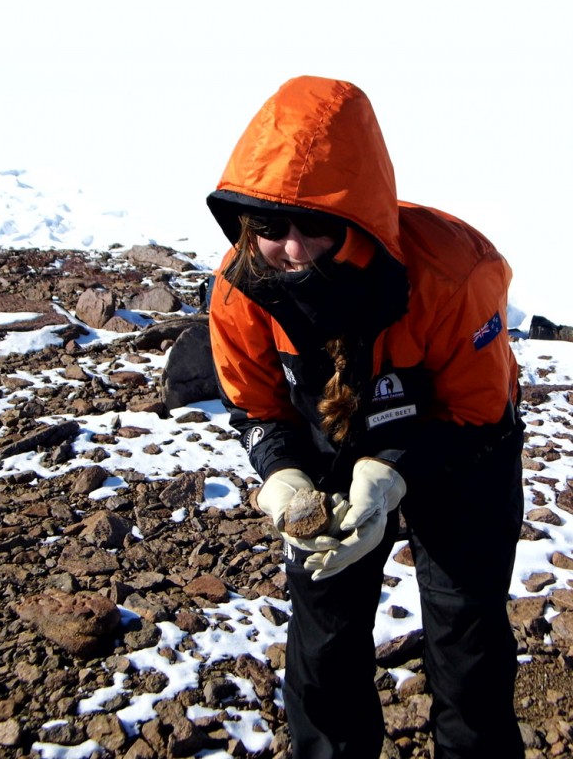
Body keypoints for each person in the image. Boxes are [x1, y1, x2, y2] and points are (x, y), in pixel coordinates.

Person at [206, 75, 525, 759]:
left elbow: (479, 410)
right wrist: (282, 475)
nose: (291, 247)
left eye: (316, 224)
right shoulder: (240, 290)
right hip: (326, 445)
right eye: (269, 226)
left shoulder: (452, 275)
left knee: (464, 632)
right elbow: (255, 403)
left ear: (357, 218)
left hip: (460, 448)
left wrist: (392, 472)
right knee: (323, 637)